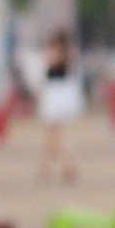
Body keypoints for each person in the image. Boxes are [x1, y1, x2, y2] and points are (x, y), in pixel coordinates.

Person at [35, 29, 84, 183]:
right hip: (59, 96)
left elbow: (49, 67)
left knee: (54, 136)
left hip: (55, 97)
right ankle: (46, 167)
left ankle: (69, 164)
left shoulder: (56, 53)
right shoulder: (70, 54)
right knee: (51, 136)